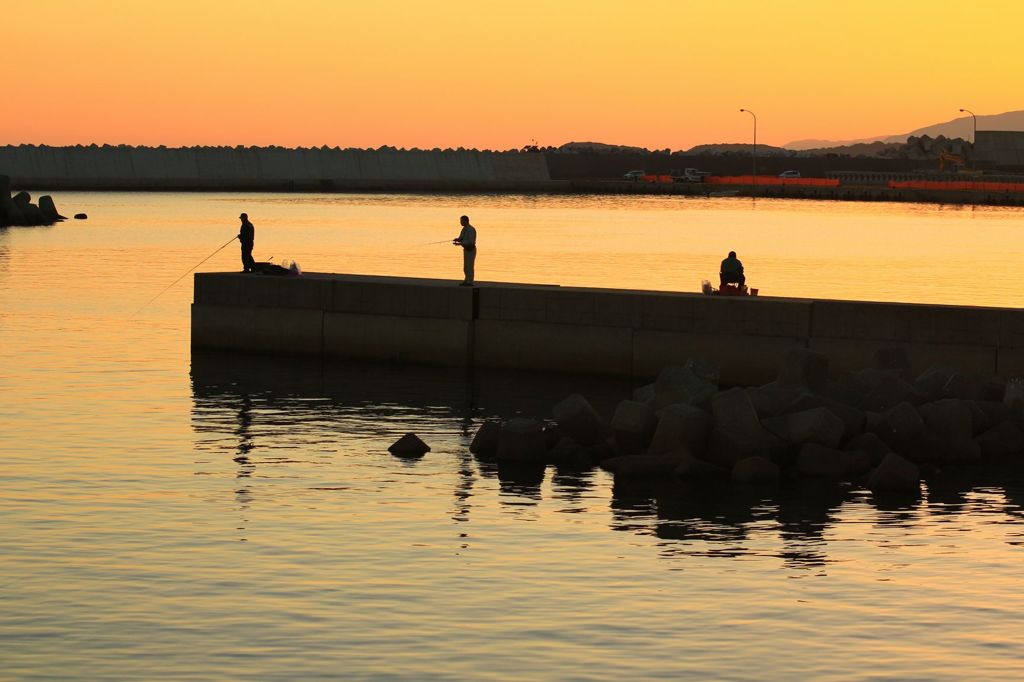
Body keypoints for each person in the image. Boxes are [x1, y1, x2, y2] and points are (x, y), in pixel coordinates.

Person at [452, 215, 477, 286]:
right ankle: (466, 281)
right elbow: (461, 238)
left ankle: (470, 282)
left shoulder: (471, 229)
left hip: (471, 249)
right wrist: (457, 239)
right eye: (460, 221)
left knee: (470, 266)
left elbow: (471, 242)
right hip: (465, 249)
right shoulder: (464, 229)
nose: (460, 222)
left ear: (466, 221)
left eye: (461, 221)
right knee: (465, 267)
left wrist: (460, 243)